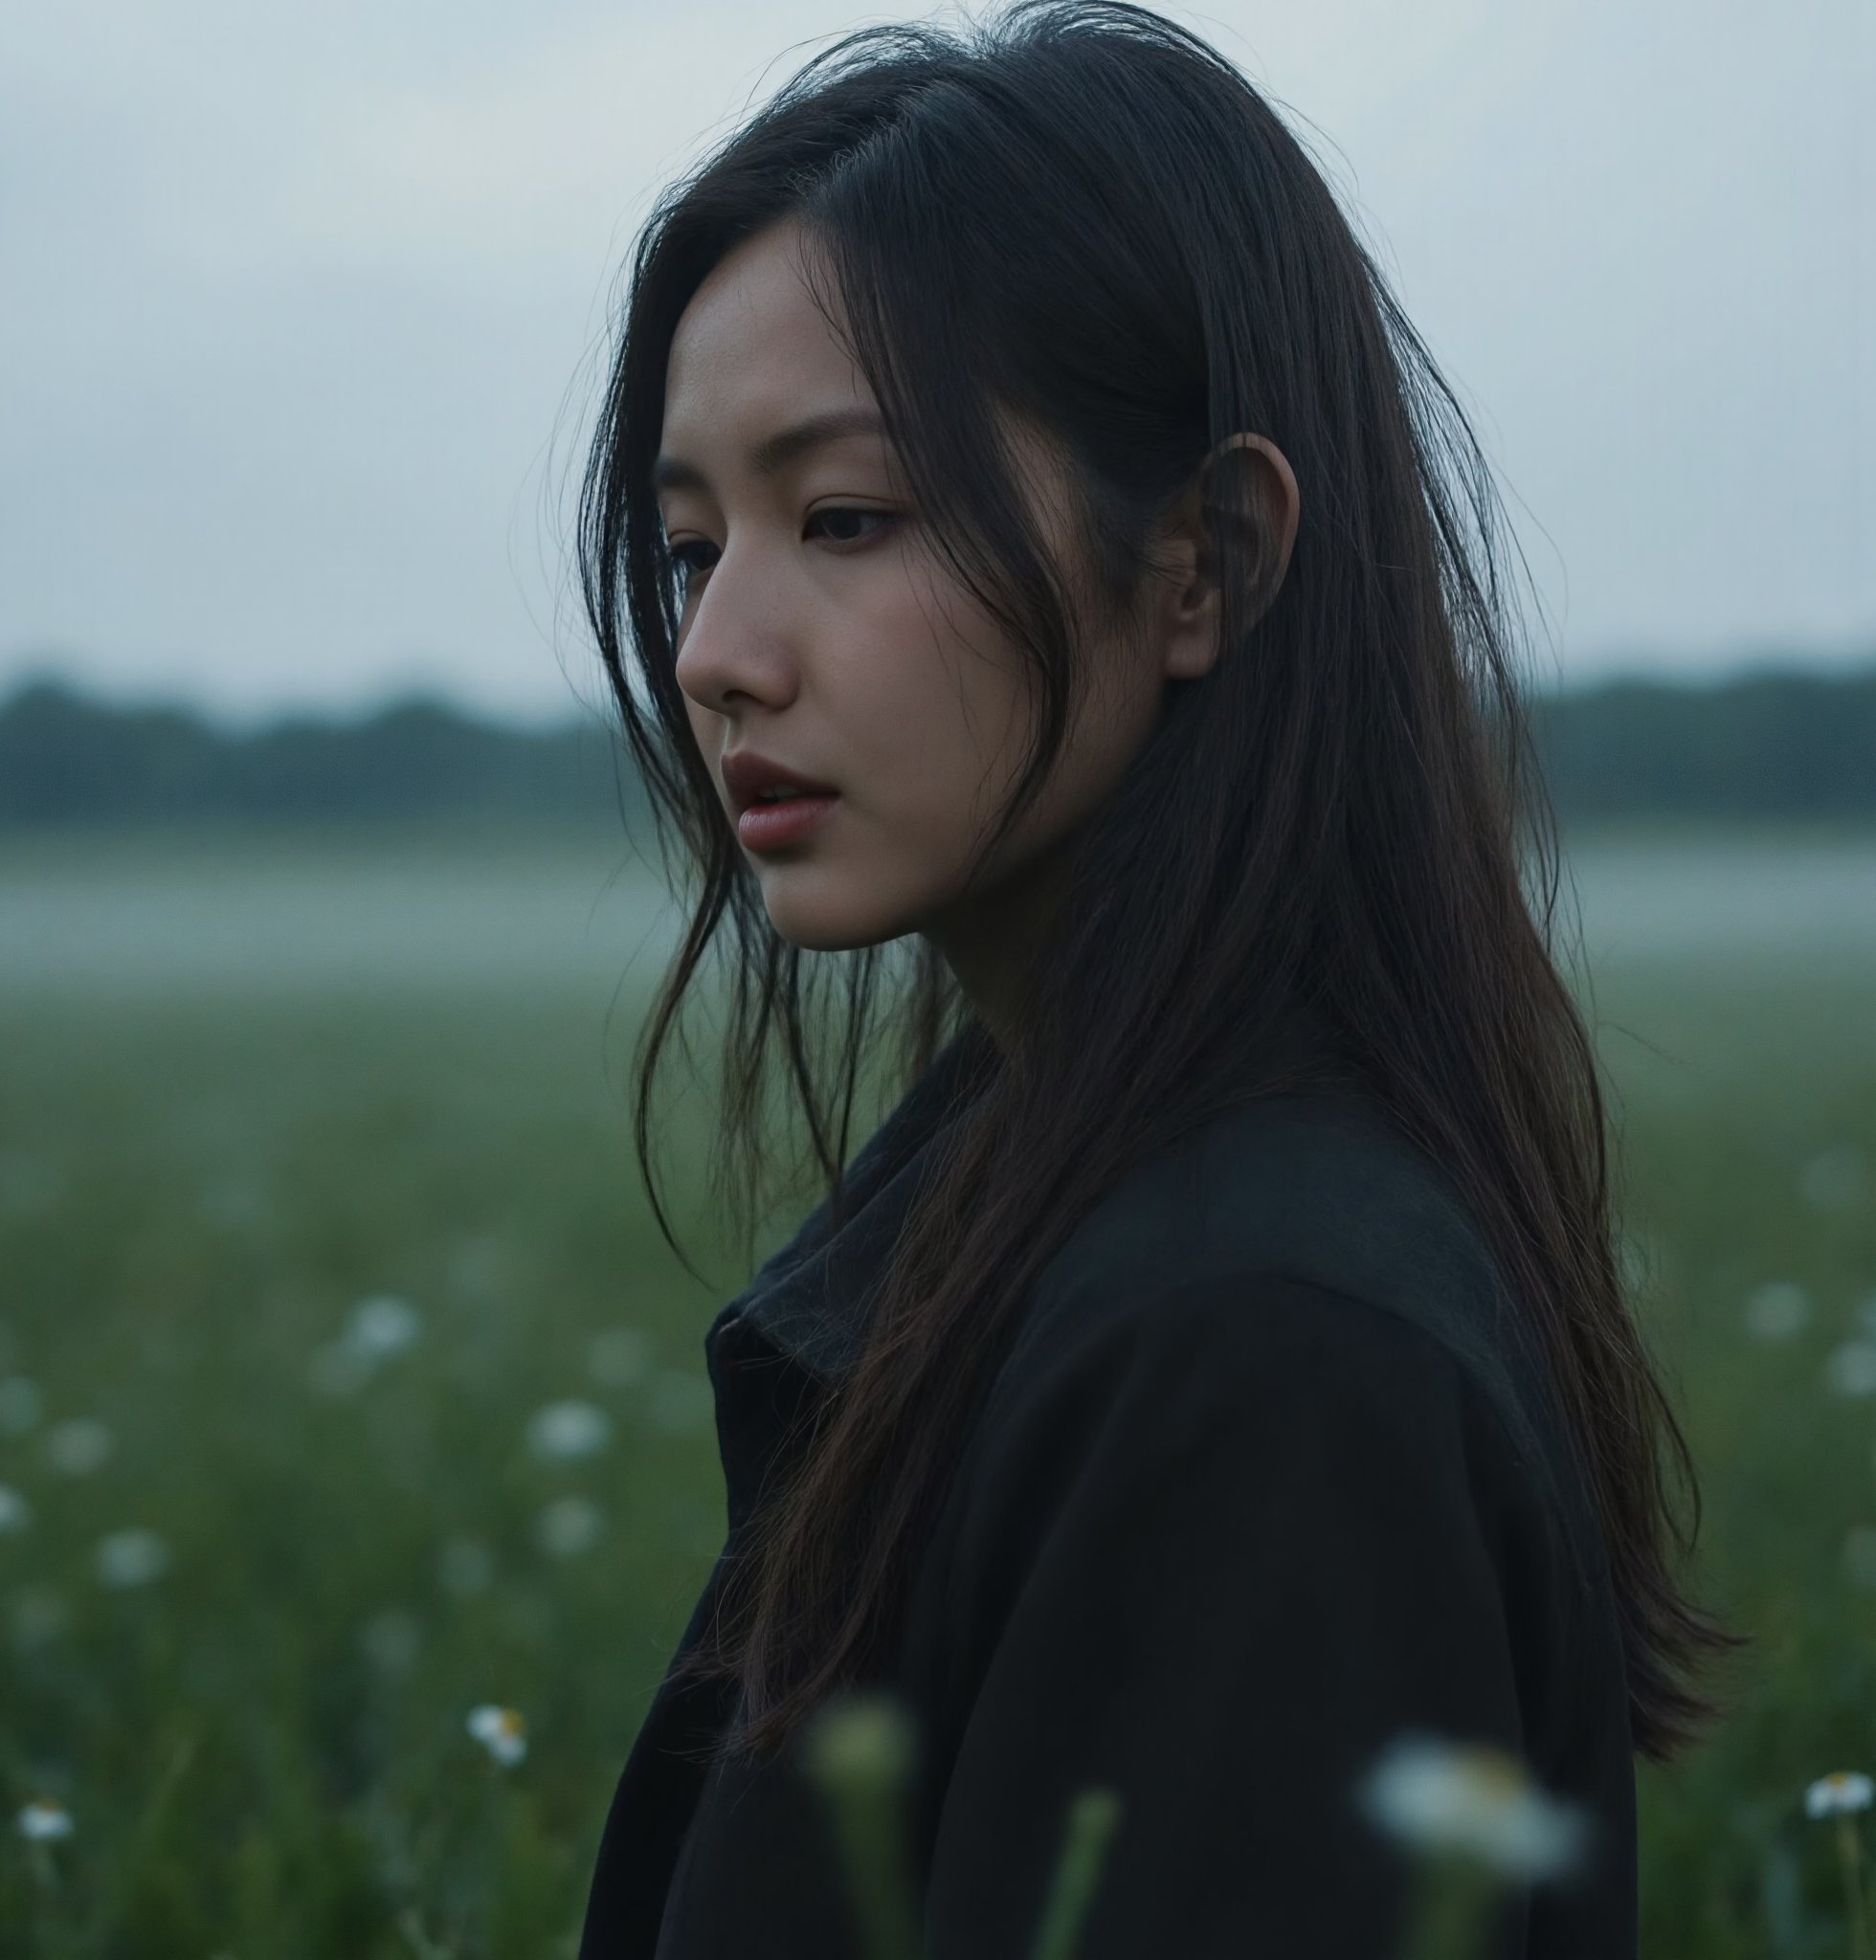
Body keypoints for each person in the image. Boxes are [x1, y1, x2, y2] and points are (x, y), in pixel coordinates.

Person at [570, 3, 1735, 1952]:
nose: (716, 651)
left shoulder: (1260, 1342)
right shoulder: (1063, 1212)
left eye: (844, 517)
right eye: (694, 547)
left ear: (1203, 561)